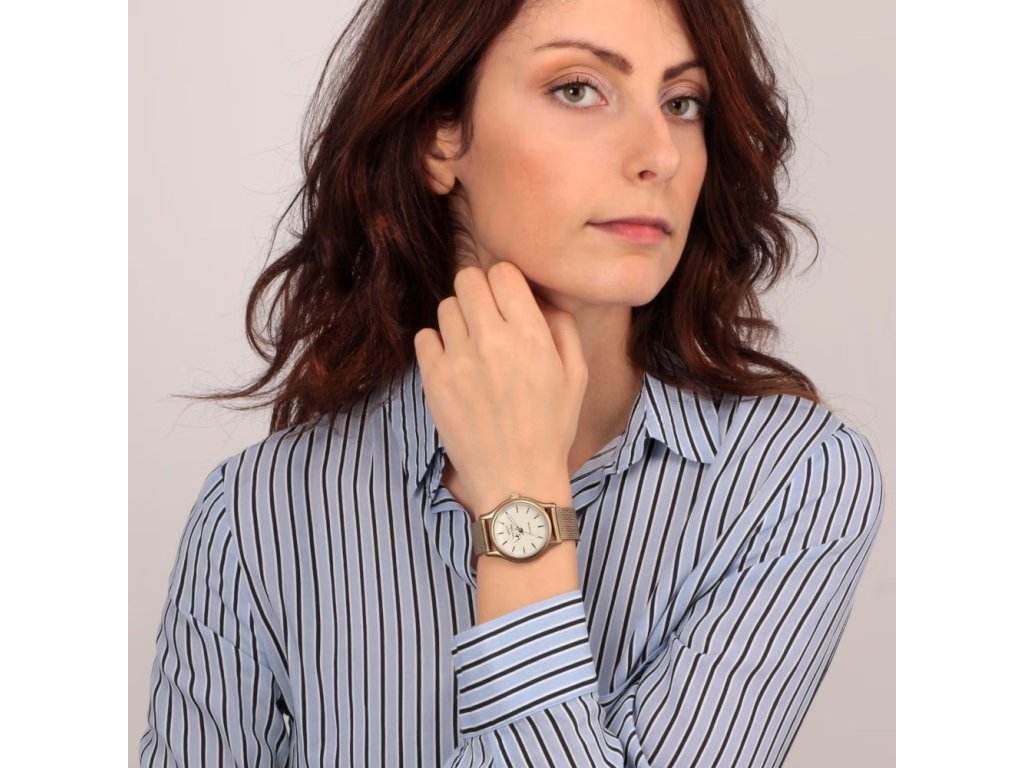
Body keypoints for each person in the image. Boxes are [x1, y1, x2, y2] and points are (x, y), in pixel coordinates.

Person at [138, 0, 885, 765]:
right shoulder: (259, 512)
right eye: (577, 89)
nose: (658, 153)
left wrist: (519, 504)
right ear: (440, 135)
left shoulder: (793, 480)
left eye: (682, 101)